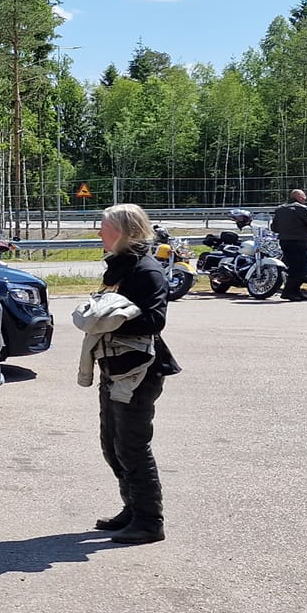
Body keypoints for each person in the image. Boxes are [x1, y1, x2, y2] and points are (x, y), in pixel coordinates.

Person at [90, 203, 176, 545]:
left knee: (132, 447)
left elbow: (154, 320)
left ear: (124, 231)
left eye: (104, 226)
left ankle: (149, 522)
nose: (99, 232)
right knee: (112, 445)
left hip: (141, 370)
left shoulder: (146, 270)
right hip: (115, 366)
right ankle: (133, 508)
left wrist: (107, 320)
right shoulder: (119, 267)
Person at [271, 189, 307, 301]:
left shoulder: (280, 209)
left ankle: (294, 291)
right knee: (301, 269)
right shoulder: (301, 208)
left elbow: (274, 228)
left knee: (292, 267)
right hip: (298, 241)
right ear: (299, 197)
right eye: (304, 197)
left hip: (284, 241)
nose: (305, 199)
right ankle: (289, 292)